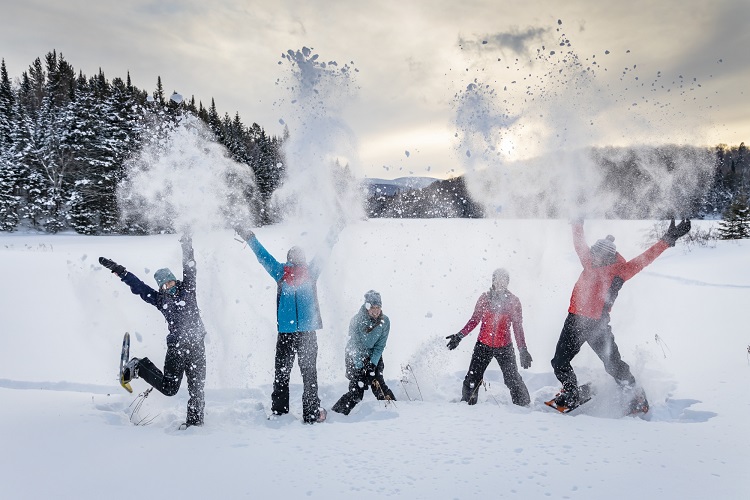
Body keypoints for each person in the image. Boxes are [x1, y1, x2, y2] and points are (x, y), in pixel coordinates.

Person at [550, 218, 691, 412]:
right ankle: (571, 392)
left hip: (597, 325)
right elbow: (579, 242)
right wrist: (576, 221)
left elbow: (645, 259)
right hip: (574, 321)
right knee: (559, 362)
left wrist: (667, 240)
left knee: (613, 365)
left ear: (607, 256)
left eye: (597, 255)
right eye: (592, 253)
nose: (593, 257)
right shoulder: (588, 260)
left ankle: (635, 394)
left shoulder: (621, 271)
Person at [99, 232, 207, 428]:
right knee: (169, 388)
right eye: (164, 285)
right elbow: (138, 286)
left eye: (170, 282)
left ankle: (195, 423)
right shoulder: (159, 299)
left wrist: (187, 243)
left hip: (197, 345)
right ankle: (139, 366)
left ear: (175, 280)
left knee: (197, 388)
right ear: (161, 288)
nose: (168, 286)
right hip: (177, 348)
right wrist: (120, 271)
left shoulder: (188, 288)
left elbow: (190, 266)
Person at [235, 227, 336, 424]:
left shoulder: (282, 272)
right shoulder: (307, 271)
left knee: (283, 373)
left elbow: (262, 255)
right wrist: (335, 229)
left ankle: (281, 412)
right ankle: (311, 413)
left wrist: (250, 237)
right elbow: (326, 248)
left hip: (289, 333)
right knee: (308, 375)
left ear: (289, 258)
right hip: (305, 332)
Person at [446, 268, 533, 407]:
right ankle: (466, 406)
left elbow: (517, 327)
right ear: (493, 281)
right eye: (497, 279)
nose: (500, 282)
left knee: (512, 379)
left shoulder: (513, 301)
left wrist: (523, 349)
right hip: (483, 346)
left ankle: (525, 406)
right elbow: (474, 320)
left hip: (505, 347)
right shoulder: (484, 298)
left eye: (504, 279)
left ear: (507, 282)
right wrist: (459, 336)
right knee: (472, 378)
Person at [331, 290, 396, 415]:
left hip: (373, 355)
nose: (376, 311)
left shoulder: (385, 322)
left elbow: (380, 346)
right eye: (373, 307)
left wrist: (372, 365)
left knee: (378, 384)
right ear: (367, 307)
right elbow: (354, 345)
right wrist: (360, 368)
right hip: (354, 355)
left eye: (378, 307)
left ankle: (394, 410)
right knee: (357, 390)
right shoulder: (356, 320)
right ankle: (336, 414)